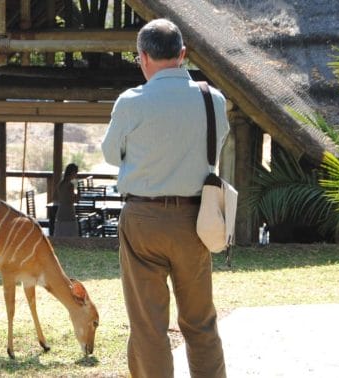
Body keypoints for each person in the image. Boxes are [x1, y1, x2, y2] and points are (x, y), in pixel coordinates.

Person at [101, 19, 228, 378]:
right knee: (200, 322)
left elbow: (112, 155)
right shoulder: (212, 99)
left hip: (142, 219)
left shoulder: (131, 102)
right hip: (195, 220)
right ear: (183, 55)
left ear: (142, 57)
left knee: (147, 325)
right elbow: (215, 148)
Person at [53, 163, 79, 237]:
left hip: (60, 213)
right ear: (72, 172)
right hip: (69, 214)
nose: (76, 175)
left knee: (60, 237)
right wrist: (78, 196)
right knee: (71, 238)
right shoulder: (70, 185)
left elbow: (59, 197)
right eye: (75, 173)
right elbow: (71, 200)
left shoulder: (60, 184)